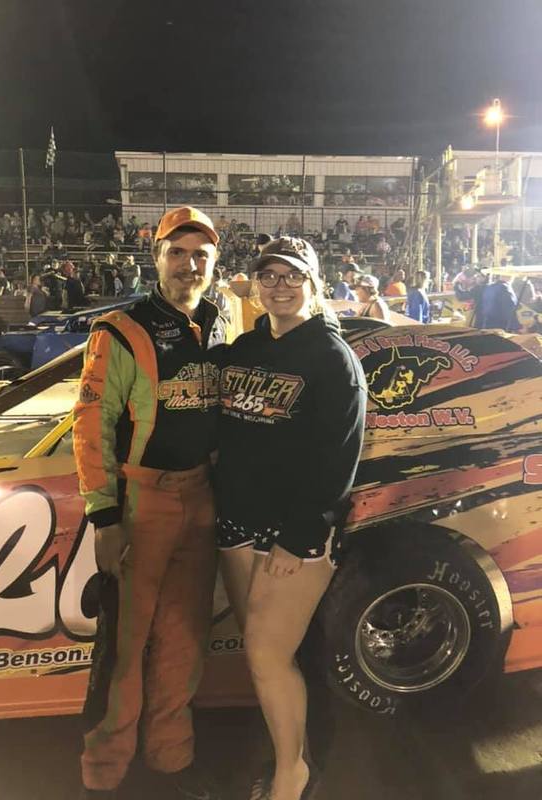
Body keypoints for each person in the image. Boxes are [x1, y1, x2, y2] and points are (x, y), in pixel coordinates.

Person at [72, 206, 227, 800]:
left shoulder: (220, 321)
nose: (190, 265)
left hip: (202, 498)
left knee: (184, 643)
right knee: (125, 644)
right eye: (177, 253)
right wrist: (105, 515)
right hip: (141, 502)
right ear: (157, 258)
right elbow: (91, 423)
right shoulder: (120, 328)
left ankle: (171, 760)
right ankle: (103, 772)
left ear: (214, 264)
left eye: (201, 255)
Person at [214, 236, 367, 800]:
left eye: (292, 276)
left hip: (291, 535)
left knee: (266, 655)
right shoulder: (246, 347)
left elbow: (337, 460)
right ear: (255, 284)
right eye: (269, 275)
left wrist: (299, 536)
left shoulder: (331, 357)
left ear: (313, 283)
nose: (280, 286)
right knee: (264, 657)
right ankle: (291, 751)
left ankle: (291, 774)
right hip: (236, 524)